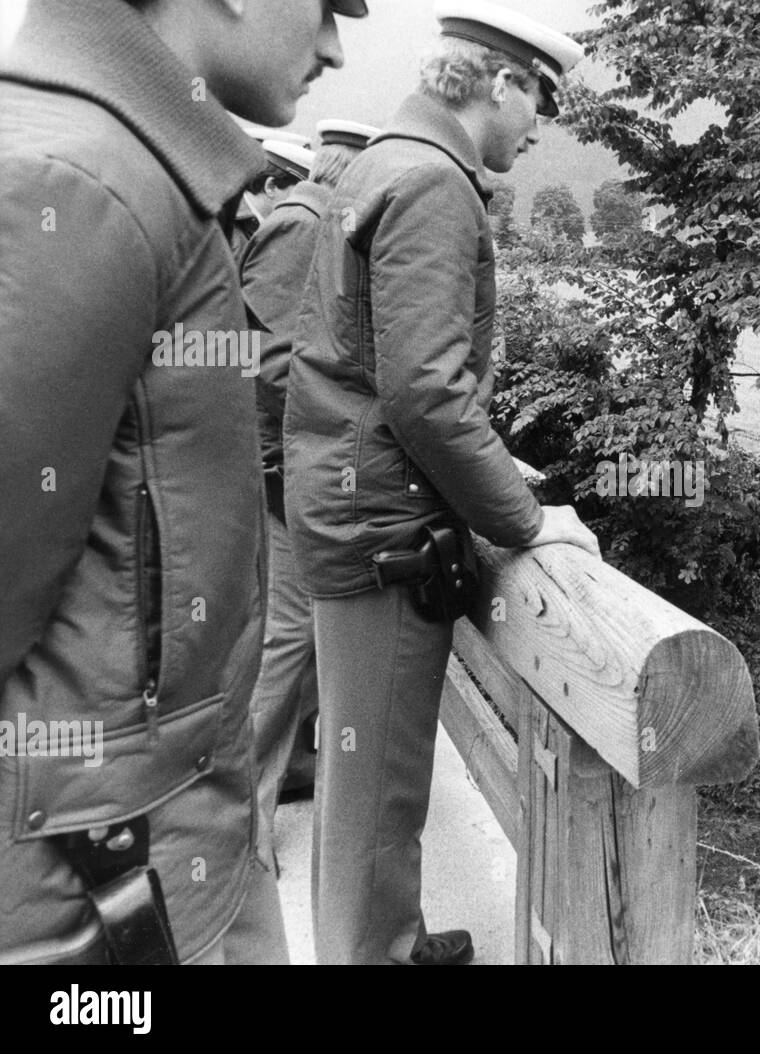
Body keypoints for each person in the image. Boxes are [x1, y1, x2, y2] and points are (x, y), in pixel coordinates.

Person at [0, 0, 365, 966]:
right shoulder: (77, 179)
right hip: (97, 898)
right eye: (329, 5)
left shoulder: (129, 167)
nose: (334, 43)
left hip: (150, 854)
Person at [283, 0, 598, 965]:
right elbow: (424, 388)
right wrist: (523, 518)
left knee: (358, 768)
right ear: (499, 81)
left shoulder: (377, 159)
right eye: (540, 98)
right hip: (383, 528)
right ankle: (372, 954)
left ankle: (392, 934)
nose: (542, 124)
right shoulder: (433, 184)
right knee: (379, 782)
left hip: (343, 504)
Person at [241, 119, 378, 886]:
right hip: (281, 468)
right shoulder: (306, 226)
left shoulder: (311, 219)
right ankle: (243, 821)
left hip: (285, 464)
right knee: (290, 635)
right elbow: (266, 363)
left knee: (303, 630)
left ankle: (289, 767)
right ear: (345, 168)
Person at [231, 138, 315, 260]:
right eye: (299, 194)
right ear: (271, 187)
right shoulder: (229, 229)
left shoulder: (249, 223)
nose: (303, 206)